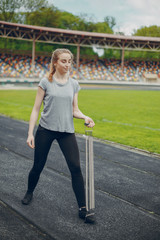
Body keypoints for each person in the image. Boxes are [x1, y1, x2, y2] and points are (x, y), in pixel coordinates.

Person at [21, 48, 95, 223]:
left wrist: (85, 117)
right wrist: (30, 133)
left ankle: (83, 208)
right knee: (38, 166)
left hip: (66, 132)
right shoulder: (45, 82)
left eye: (69, 61)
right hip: (46, 130)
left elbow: (74, 109)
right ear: (55, 62)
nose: (67, 64)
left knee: (75, 168)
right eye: (63, 61)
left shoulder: (74, 84)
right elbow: (35, 109)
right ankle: (29, 192)